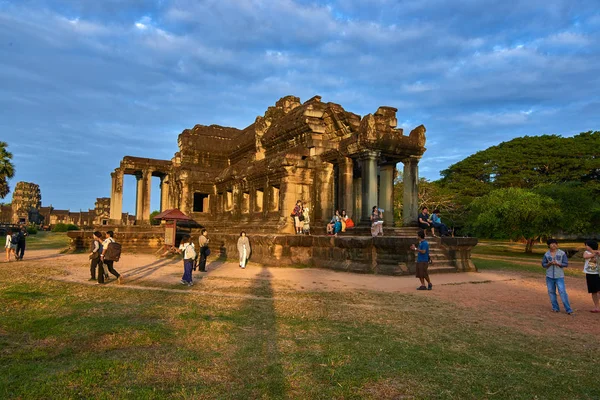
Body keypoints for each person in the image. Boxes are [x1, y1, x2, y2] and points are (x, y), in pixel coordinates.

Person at [541, 239, 572, 315]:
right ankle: (555, 308)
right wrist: (549, 264)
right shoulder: (546, 254)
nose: (554, 245)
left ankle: (568, 309)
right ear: (548, 245)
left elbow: (565, 264)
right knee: (551, 292)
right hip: (549, 276)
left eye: (555, 244)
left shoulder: (562, 253)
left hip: (559, 276)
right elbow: (543, 264)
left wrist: (558, 264)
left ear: (557, 245)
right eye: (551, 244)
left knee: (562, 292)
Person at [582, 240, 600, 313]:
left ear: (590, 246)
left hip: (598, 274)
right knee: (593, 291)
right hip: (590, 274)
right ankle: (597, 307)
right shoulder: (586, 252)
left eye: (586, 245)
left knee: (599, 290)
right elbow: (585, 256)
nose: (586, 246)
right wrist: (594, 253)